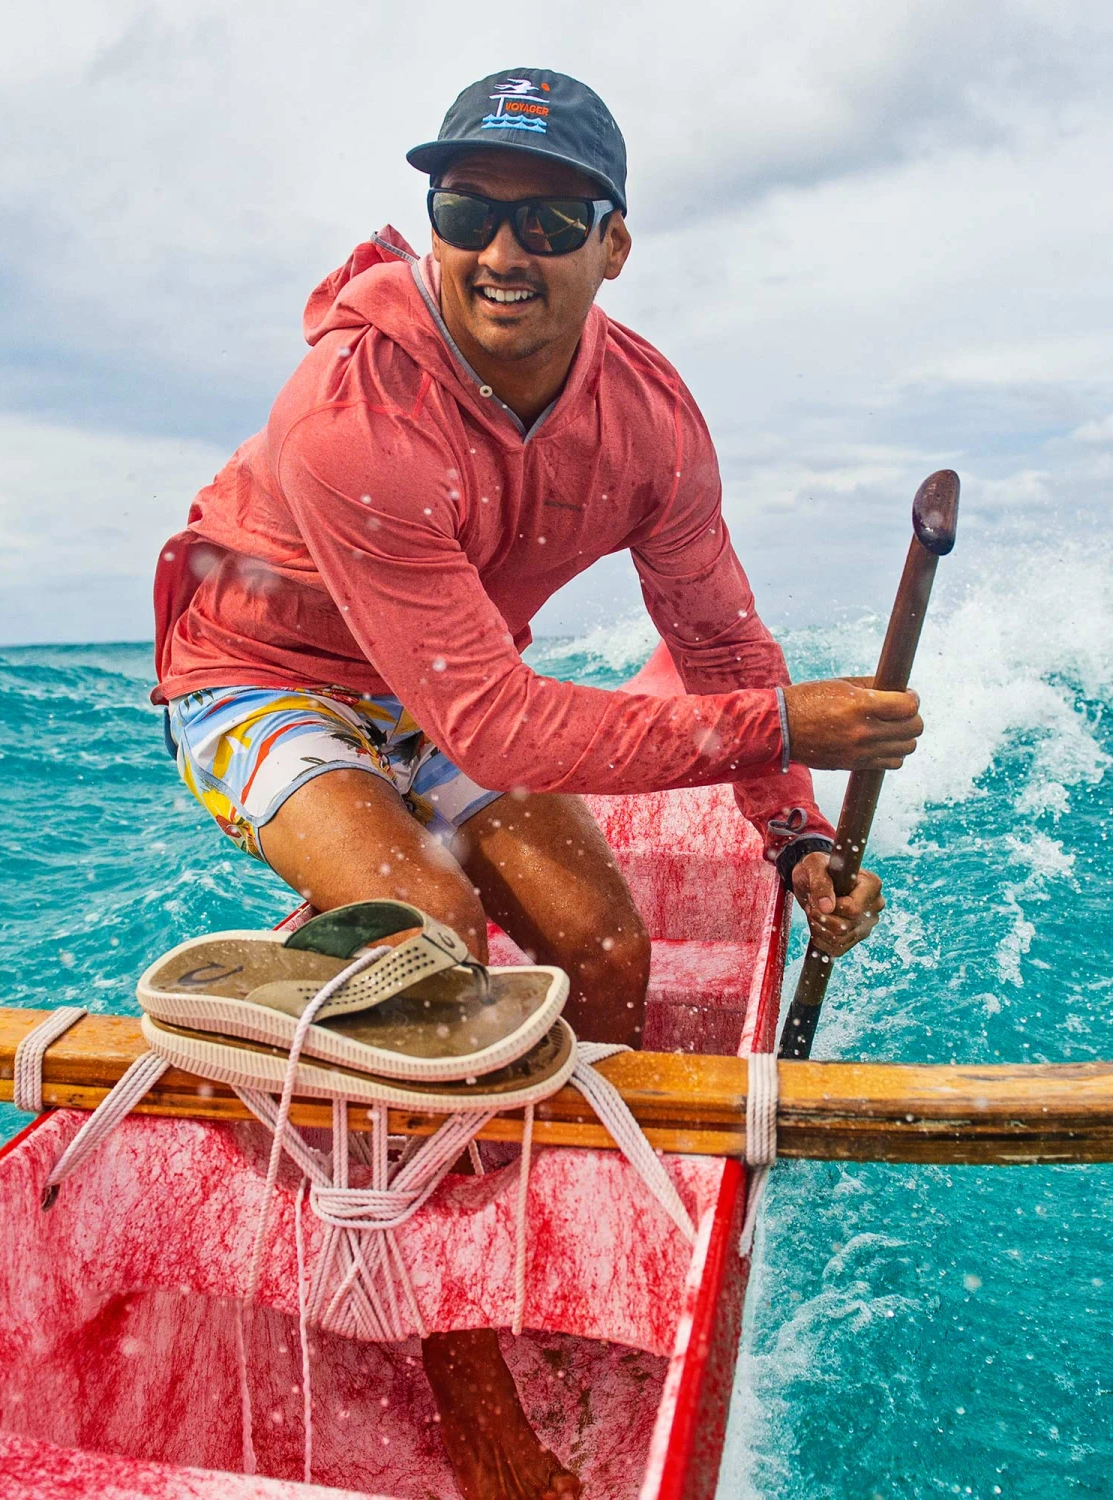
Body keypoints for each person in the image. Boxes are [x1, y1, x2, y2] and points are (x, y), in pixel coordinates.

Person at [150, 67, 921, 1500]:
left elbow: (713, 638)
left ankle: (544, 1222)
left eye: (552, 217)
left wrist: (793, 833)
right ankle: (472, 1392)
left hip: (436, 683)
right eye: (469, 210)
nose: (505, 249)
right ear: (432, 224)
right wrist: (788, 720)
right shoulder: (348, 406)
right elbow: (504, 730)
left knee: (605, 951)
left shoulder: (652, 420)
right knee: (441, 948)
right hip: (259, 681)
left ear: (612, 244)